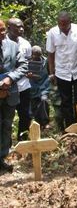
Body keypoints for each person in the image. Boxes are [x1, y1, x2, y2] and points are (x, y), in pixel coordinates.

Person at [46, 11, 77, 131]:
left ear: (70, 21)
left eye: (66, 24)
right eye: (61, 24)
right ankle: (70, 129)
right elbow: (51, 54)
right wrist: (51, 73)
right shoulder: (52, 33)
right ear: (58, 23)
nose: (63, 27)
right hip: (62, 72)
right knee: (65, 101)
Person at [0, 19, 28, 173]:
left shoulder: (13, 46)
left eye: (4, 30)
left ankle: (3, 157)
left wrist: (9, 79)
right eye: (0, 31)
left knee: (6, 126)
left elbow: (23, 66)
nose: (3, 34)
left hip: (10, 93)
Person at [6, 18, 32, 140]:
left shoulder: (25, 44)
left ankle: (23, 141)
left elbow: (29, 63)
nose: (21, 29)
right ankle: (6, 145)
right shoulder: (3, 43)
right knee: (6, 118)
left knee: (25, 115)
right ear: (8, 28)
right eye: (17, 27)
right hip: (6, 87)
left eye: (22, 26)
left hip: (24, 86)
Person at [28, 46, 50, 129]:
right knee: (33, 106)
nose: (37, 57)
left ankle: (45, 122)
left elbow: (50, 72)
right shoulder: (27, 63)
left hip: (44, 86)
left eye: (39, 55)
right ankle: (35, 124)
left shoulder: (46, 62)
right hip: (32, 87)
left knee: (44, 101)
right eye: (35, 55)